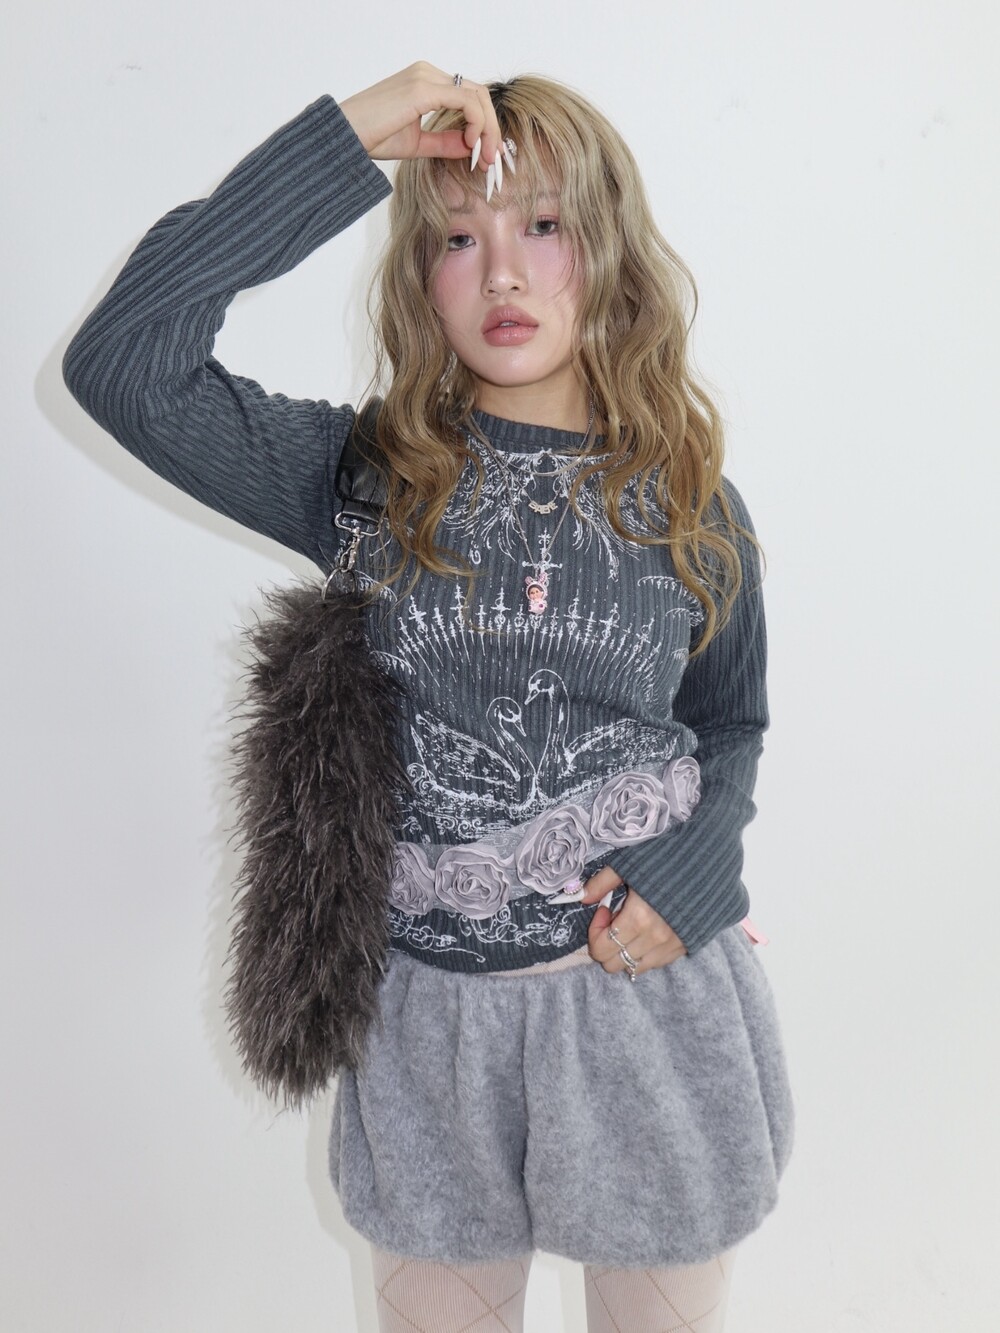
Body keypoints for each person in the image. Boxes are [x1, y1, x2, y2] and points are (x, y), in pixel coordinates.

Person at [63, 61, 793, 1333]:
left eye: (543, 225)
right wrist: (345, 142)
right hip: (429, 1034)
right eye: (459, 238)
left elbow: (729, 722)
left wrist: (694, 869)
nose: (502, 273)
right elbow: (123, 362)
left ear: (610, 250)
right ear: (418, 276)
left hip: (644, 1007)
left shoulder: (689, 502)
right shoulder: (362, 478)